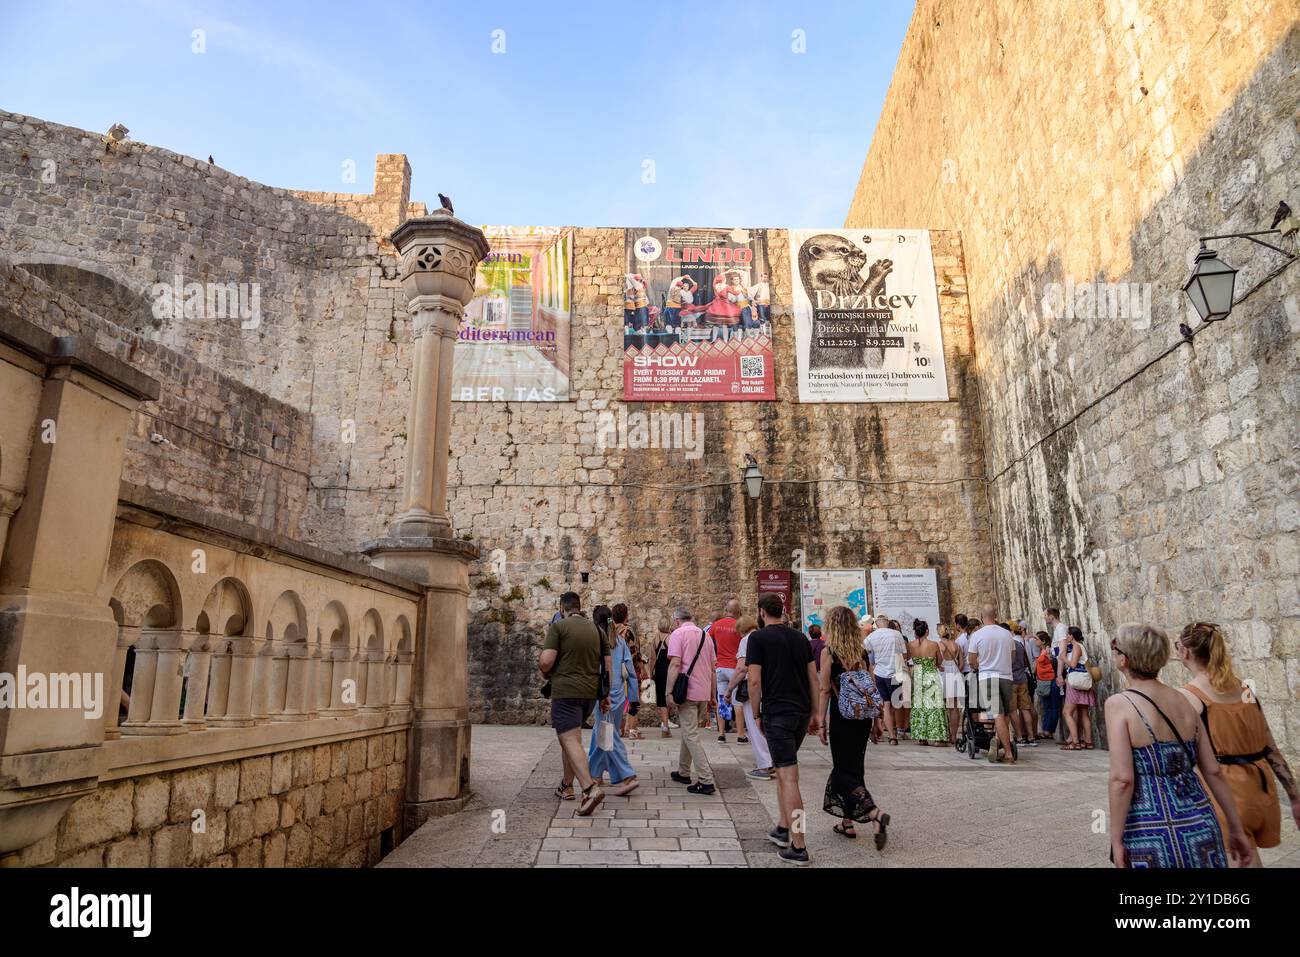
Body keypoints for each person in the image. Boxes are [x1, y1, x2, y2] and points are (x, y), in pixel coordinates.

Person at [1106, 622, 1251, 868]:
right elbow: (1213, 770)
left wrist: (1116, 839)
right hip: (1201, 819)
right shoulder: (1186, 701)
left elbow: (1122, 779)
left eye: (1116, 650)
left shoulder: (1119, 704)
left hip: (1150, 827)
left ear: (1125, 660)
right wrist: (1236, 829)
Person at [1177, 622, 1299, 866]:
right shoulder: (1244, 689)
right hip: (1260, 788)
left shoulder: (1190, 695)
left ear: (1186, 652)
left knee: (1240, 861)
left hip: (1225, 791)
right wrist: (1294, 796)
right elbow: (1270, 747)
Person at [747, 592, 818, 865]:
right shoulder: (800, 637)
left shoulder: (758, 638)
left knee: (789, 778)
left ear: (763, 612)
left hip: (777, 713)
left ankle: (798, 845)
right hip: (800, 712)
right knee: (782, 769)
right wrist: (815, 712)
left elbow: (754, 681)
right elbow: (812, 677)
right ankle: (783, 826)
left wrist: (755, 714)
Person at [818, 605, 890, 847]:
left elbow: (825, 689)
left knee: (842, 770)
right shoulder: (862, 652)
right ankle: (847, 823)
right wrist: (877, 721)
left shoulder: (829, 652)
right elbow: (871, 689)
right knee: (854, 768)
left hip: (842, 717)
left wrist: (820, 722)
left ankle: (874, 814)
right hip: (863, 718)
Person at [538, 592, 611, 814]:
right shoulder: (598, 631)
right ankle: (566, 786)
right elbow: (607, 667)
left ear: (562, 608)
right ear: (579, 607)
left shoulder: (559, 628)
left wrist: (542, 667)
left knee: (568, 738)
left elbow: (547, 660)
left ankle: (589, 788)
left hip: (566, 692)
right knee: (572, 739)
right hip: (589, 694)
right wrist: (605, 696)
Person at [587, 605, 640, 795]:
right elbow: (631, 672)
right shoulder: (620, 641)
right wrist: (634, 698)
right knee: (602, 733)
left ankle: (627, 775)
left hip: (603, 696)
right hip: (619, 696)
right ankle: (595, 774)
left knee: (609, 735)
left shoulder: (595, 643)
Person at [666, 608, 716, 794]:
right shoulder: (706, 635)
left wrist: (668, 692)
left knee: (691, 734)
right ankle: (683, 771)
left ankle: (706, 779)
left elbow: (675, 664)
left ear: (677, 620)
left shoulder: (678, 634)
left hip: (686, 692)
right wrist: (712, 695)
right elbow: (712, 668)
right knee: (689, 731)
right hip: (703, 690)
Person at [725, 615, 774, 780]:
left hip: (751, 687)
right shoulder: (765, 636)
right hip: (769, 686)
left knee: (754, 726)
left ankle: (764, 765)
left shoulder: (747, 640)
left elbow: (741, 669)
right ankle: (771, 761)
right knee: (766, 725)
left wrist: (729, 688)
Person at [967, 606, 1016, 764]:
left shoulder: (977, 635)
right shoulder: (1007, 633)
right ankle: (996, 739)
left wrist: (978, 666)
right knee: (1005, 714)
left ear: (982, 616)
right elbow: (1012, 657)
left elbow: (972, 661)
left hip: (988, 677)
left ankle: (1008, 753)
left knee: (997, 714)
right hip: (1006, 677)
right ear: (996, 616)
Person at [864, 614, 907, 745]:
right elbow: (904, 654)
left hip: (880, 673)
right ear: (887, 622)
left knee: (886, 705)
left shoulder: (870, 637)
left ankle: (891, 735)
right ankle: (890, 731)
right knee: (895, 705)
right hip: (895, 673)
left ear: (876, 623)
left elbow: (869, 659)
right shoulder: (896, 634)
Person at [906, 619, 948, 746]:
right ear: (927, 631)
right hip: (930, 675)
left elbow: (907, 658)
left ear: (915, 632)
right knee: (935, 705)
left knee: (919, 706)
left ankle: (922, 736)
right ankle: (938, 738)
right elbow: (939, 661)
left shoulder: (910, 645)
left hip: (917, 674)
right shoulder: (934, 644)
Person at [710, 599, 747, 744]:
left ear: (726, 610)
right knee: (737, 702)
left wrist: (713, 660)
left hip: (720, 667)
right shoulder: (739, 626)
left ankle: (721, 734)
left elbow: (708, 641)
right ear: (738, 612)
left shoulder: (716, 625)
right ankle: (741, 735)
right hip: (734, 668)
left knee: (721, 700)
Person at [1059, 625, 1096, 750]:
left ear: (1071, 636)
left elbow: (1073, 664)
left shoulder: (1076, 646)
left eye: (1068, 634)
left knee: (1067, 712)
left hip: (1075, 681)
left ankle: (1075, 741)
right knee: (1083, 713)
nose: (1066, 636)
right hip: (1084, 681)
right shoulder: (1081, 646)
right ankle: (1088, 742)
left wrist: (1063, 658)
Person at [612, 604, 643, 740]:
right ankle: (631, 729)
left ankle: (620, 728)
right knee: (633, 698)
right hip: (629, 669)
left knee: (621, 699)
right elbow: (633, 653)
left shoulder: (611, 630)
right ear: (626, 615)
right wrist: (640, 668)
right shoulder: (628, 631)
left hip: (616, 670)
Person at [1008, 622, 1037, 747]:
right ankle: (1031, 737)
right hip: (1023, 678)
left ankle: (1019, 737)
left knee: (1013, 710)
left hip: (1012, 679)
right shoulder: (1021, 644)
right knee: (1026, 709)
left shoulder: (1009, 645)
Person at [937, 623, 964, 744]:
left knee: (941, 704)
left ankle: (944, 734)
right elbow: (962, 665)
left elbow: (937, 661)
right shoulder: (956, 645)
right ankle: (953, 736)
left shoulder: (938, 645)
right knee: (954, 707)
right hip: (955, 672)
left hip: (943, 672)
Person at [1033, 630, 1061, 740]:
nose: (1035, 641)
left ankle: (1049, 730)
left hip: (1051, 681)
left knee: (1052, 707)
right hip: (1044, 681)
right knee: (1046, 707)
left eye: (1037, 639)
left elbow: (1054, 661)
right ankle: (1046, 729)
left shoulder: (1049, 651)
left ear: (1043, 641)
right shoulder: (1043, 651)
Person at [651, 617, 674, 737]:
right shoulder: (671, 638)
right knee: (668, 696)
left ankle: (665, 725)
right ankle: (666, 724)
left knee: (661, 698)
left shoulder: (655, 639)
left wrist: (650, 672)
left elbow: (653, 658)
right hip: (670, 671)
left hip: (659, 672)